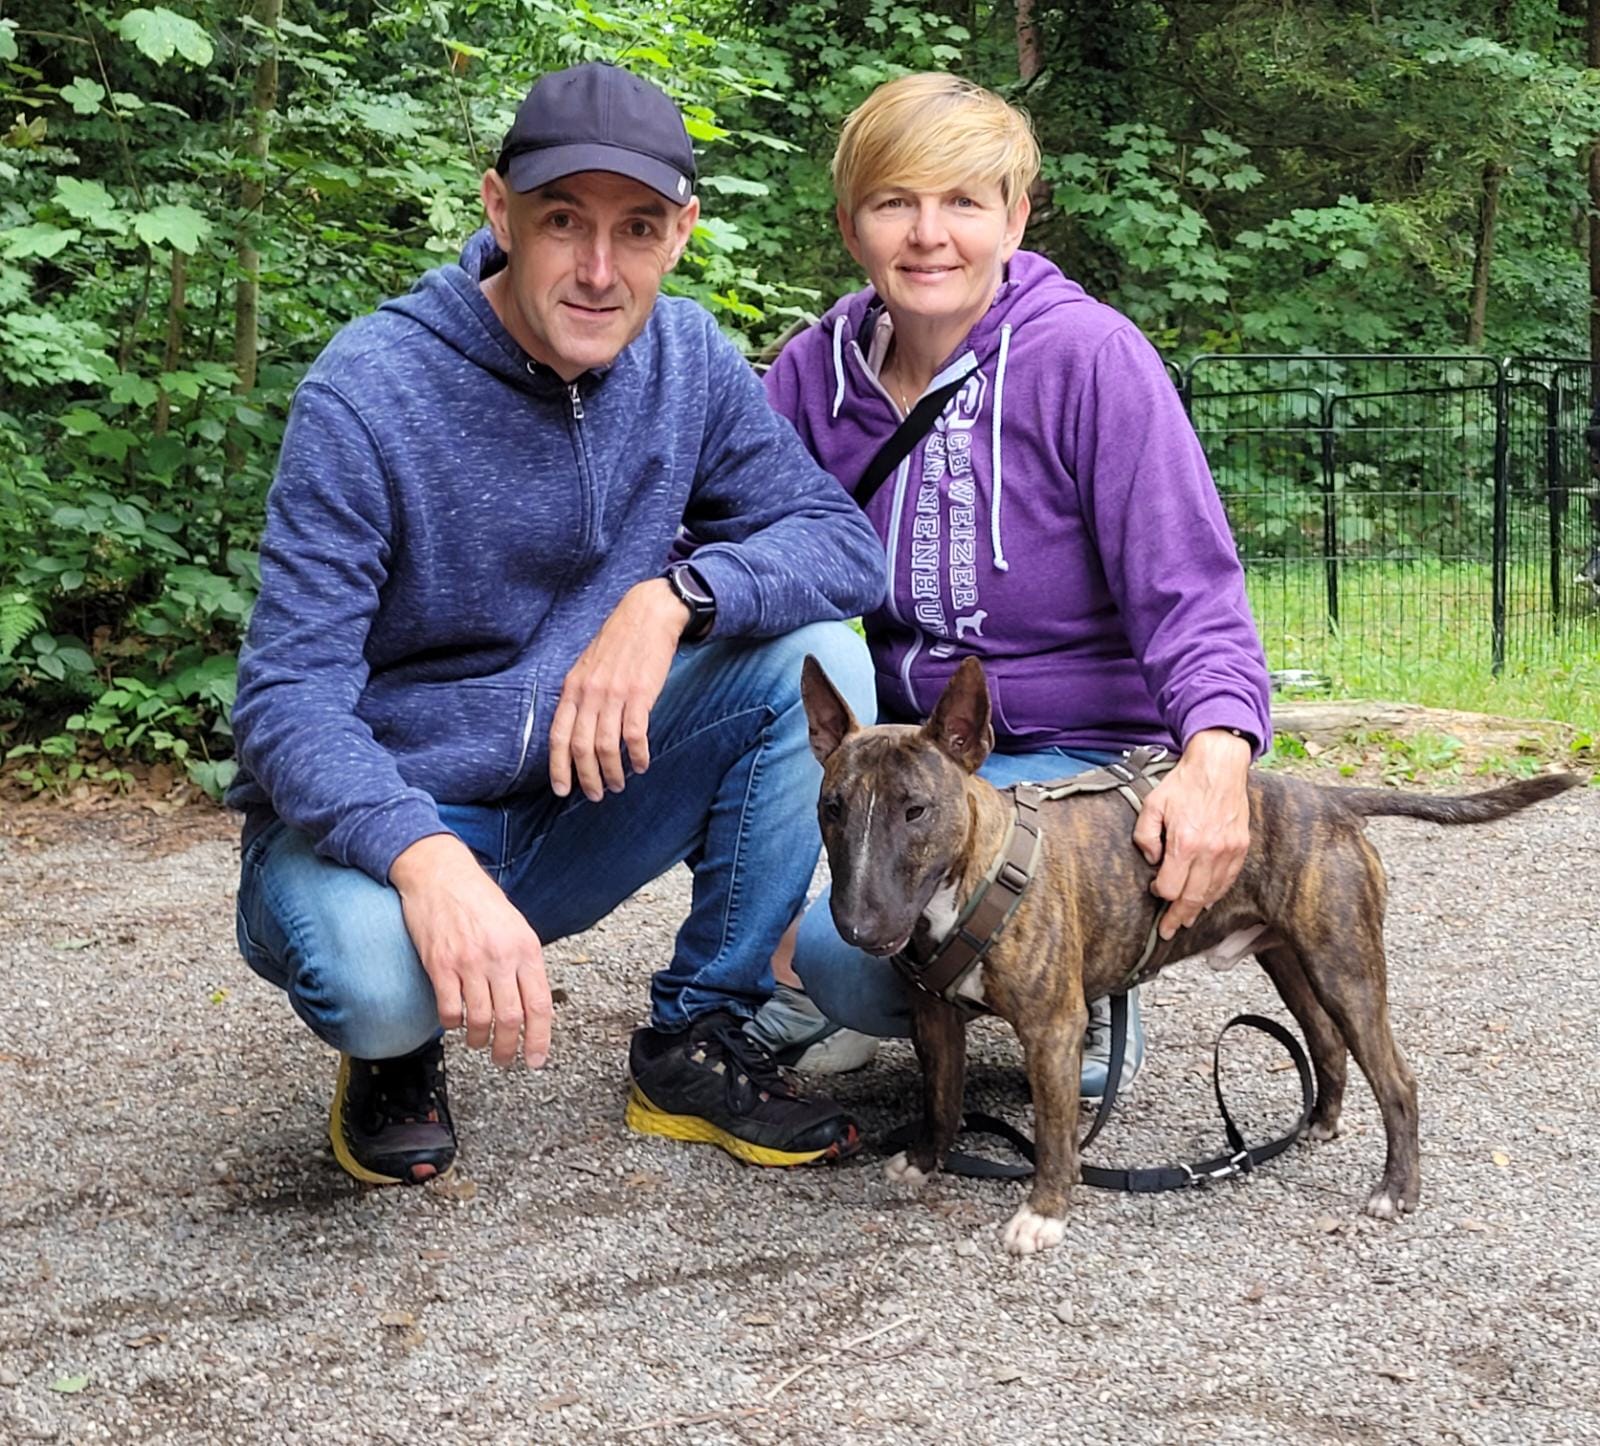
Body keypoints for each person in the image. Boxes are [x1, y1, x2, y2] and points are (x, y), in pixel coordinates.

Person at [227, 62, 887, 1187]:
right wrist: (423, 861)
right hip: (391, 827)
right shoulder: (370, 390)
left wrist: (674, 598)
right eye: (563, 221)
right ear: (499, 211)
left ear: (681, 234)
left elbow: (840, 547)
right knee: (376, 991)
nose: (597, 270)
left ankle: (699, 1036)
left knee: (816, 656)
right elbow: (286, 701)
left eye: (636, 229)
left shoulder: (687, 362)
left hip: (573, 802)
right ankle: (399, 1046)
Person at [748, 74, 1273, 1099]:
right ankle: (788, 986)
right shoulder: (814, 376)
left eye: (962, 202)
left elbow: (1192, 590)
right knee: (838, 958)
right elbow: (726, 535)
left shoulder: (1091, 358)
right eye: (894, 202)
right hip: (923, 756)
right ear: (851, 226)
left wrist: (1218, 756)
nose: (928, 234)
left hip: (1081, 760)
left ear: (1014, 218)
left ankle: (1085, 982)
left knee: (906, 939)